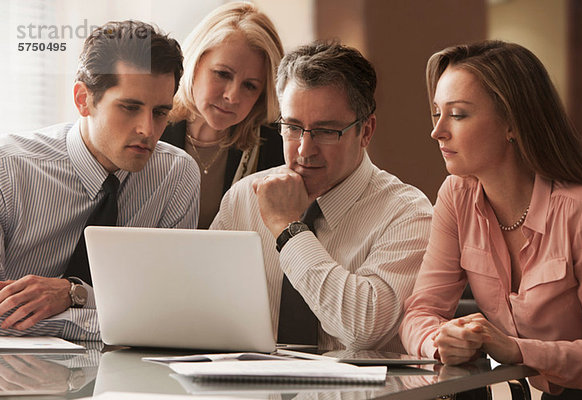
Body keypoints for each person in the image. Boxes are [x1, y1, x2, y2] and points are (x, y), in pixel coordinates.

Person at [400, 40, 582, 398]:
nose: (438, 131)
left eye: (458, 114)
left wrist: (518, 350)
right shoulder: (455, 196)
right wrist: (440, 341)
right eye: (437, 113)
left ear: (512, 123)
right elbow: (419, 313)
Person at [211, 41, 433, 351]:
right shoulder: (244, 198)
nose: (304, 149)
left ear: (366, 131)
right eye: (292, 127)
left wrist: (289, 229)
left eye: (326, 131)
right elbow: (204, 308)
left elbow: (363, 330)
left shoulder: (407, 213)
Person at [0, 20, 201, 341]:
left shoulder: (176, 175)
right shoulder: (8, 169)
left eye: (160, 112)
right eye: (130, 107)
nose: (147, 130)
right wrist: (117, 317)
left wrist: (74, 295)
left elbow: (169, 311)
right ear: (83, 99)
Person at [161, 1, 285, 228]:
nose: (232, 96)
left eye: (250, 86)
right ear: (195, 62)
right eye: (222, 74)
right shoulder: (152, 125)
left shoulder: (275, 146)